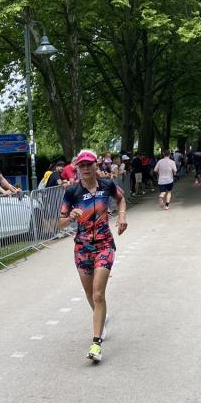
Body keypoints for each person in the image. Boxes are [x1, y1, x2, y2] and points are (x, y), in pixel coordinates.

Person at [57, 149, 128, 363]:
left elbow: (121, 199)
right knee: (90, 294)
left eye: (89, 164)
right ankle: (101, 317)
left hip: (105, 245)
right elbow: (59, 223)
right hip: (82, 248)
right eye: (82, 165)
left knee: (98, 293)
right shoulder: (72, 192)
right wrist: (70, 217)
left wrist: (122, 216)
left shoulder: (107, 185)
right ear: (78, 168)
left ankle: (96, 344)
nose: (86, 168)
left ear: (96, 165)